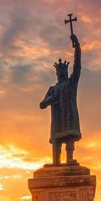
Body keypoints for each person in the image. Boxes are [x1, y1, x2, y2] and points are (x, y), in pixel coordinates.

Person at [40, 34, 81, 165]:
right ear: (57, 74)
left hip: (68, 116)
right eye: (59, 72)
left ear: (66, 72)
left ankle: (69, 159)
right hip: (57, 119)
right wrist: (45, 102)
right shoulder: (53, 88)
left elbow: (78, 67)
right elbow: (43, 103)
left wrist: (77, 47)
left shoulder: (71, 83)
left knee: (69, 136)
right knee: (56, 138)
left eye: (63, 71)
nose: (61, 73)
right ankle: (56, 162)